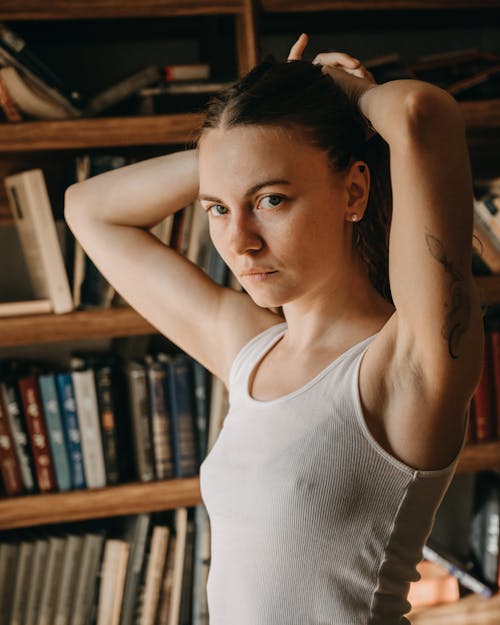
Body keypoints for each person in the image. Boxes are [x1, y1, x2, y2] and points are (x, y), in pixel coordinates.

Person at [65, 33, 484, 625]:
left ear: (354, 191)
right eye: (217, 208)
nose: (239, 240)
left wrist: (344, 98)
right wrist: (245, 151)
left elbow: (421, 113)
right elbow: (88, 208)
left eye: (271, 200)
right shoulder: (250, 351)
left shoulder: (407, 364)